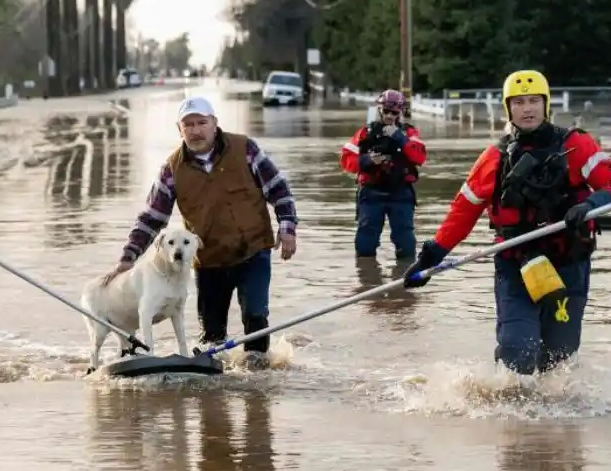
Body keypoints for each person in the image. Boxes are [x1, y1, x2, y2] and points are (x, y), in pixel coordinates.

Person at [404, 70, 611, 375]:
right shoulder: (493, 158)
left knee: (559, 359)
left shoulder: (578, 145)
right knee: (518, 354)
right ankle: (509, 414)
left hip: (568, 262)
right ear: (508, 108)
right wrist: (429, 258)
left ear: (546, 104)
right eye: (520, 102)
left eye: (534, 101)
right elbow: (462, 213)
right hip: (517, 265)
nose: (528, 109)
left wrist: (591, 204)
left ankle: (549, 422)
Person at [114, 96, 298, 366]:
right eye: (188, 124)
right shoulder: (171, 169)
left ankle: (258, 386)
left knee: (256, 317)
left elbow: (279, 189)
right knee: (211, 337)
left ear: (215, 124)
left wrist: (287, 228)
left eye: (202, 122)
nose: (196, 130)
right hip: (208, 260)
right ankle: (212, 388)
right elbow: (152, 218)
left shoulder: (245, 148)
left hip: (253, 250)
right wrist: (128, 256)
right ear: (180, 130)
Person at [340, 89, 427, 259]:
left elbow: (420, 157)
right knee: (365, 243)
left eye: (394, 112)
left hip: (400, 192)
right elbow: (346, 160)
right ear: (379, 110)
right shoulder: (365, 133)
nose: (389, 116)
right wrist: (368, 160)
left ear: (400, 113)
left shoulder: (409, 134)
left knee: (406, 243)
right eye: (386, 111)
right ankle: (367, 280)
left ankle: (405, 278)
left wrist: (400, 138)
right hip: (372, 193)